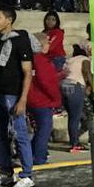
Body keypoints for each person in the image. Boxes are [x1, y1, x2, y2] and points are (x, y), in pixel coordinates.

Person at [0, 5, 35, 187]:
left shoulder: (20, 41)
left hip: (13, 94)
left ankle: (27, 175)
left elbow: (28, 72)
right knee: (0, 135)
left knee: (20, 134)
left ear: (9, 20)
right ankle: (6, 173)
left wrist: (23, 99)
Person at [27, 32, 60, 166]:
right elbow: (46, 82)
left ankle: (32, 153)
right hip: (42, 101)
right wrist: (56, 99)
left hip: (31, 99)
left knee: (39, 130)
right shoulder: (41, 60)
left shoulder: (30, 59)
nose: (49, 44)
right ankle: (39, 157)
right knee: (44, 129)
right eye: (47, 42)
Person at [61, 45, 93, 152]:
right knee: (77, 117)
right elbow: (87, 73)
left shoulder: (70, 60)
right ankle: (74, 144)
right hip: (75, 87)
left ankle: (74, 139)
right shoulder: (84, 59)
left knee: (73, 117)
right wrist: (93, 87)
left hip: (64, 86)